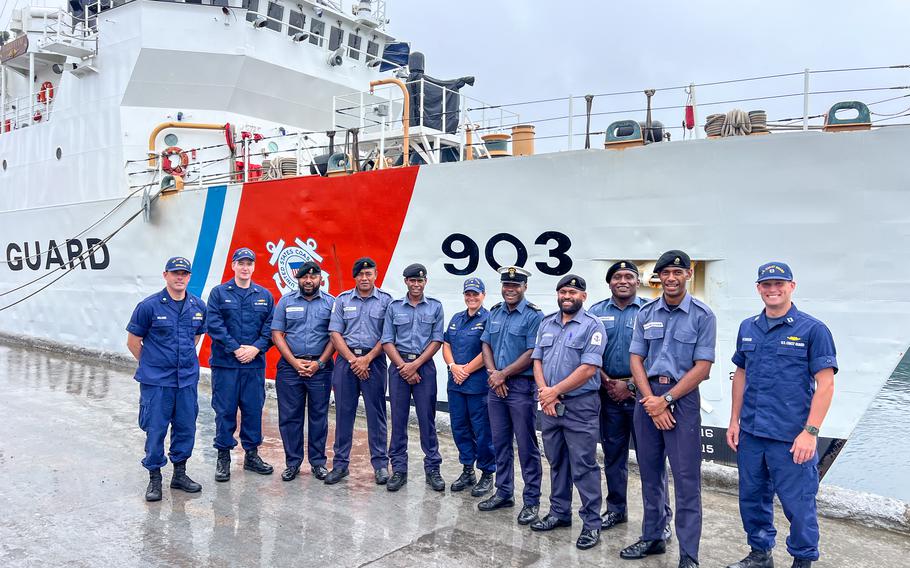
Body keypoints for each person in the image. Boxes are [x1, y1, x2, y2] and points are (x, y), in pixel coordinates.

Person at [725, 262, 837, 568]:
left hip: (791, 437)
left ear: (792, 286)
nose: (773, 290)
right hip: (751, 434)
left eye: (779, 284)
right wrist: (734, 421)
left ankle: (802, 560)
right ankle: (760, 554)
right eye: (766, 284)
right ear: (758, 288)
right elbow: (741, 374)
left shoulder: (813, 329)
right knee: (752, 499)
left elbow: (825, 384)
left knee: (798, 505)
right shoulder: (748, 327)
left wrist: (810, 432)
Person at [620, 250, 716, 568]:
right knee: (649, 473)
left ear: (688, 274)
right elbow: (636, 359)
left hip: (682, 399)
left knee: (687, 479)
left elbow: (702, 367)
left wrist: (667, 400)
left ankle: (689, 554)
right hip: (648, 397)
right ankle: (653, 537)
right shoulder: (646, 313)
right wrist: (650, 400)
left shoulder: (703, 315)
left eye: (678, 273)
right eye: (666, 274)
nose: (671, 278)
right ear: (658, 278)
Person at [589, 261, 672, 536]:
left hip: (645, 397)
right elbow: (588, 352)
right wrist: (609, 382)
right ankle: (616, 510)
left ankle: (661, 519)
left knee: (653, 460)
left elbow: (661, 354)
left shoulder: (653, 310)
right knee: (613, 456)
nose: (622, 280)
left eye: (628, 276)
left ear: (638, 282)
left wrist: (631, 386)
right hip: (608, 392)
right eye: (617, 277)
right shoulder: (596, 312)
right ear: (609, 282)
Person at [530, 275, 606, 550]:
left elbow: (589, 368)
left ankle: (591, 524)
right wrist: (544, 392)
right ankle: (559, 513)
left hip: (580, 405)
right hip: (550, 405)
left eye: (573, 291)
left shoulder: (592, 326)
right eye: (563, 291)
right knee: (557, 460)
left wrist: (554, 391)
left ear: (583, 296)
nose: (567, 295)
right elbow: (536, 359)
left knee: (584, 465)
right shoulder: (546, 323)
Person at [126, 256, 206, 502]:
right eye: (175, 273)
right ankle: (155, 478)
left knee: (185, 427)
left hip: (186, 381)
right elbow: (133, 342)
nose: (179, 277)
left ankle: (179, 474)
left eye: (184, 273)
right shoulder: (148, 306)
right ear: (165, 275)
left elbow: (196, 337)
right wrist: (152, 364)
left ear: (189, 277)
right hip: (157, 382)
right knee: (155, 429)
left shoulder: (197, 306)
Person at [477, 266, 544, 526]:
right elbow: (486, 343)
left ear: (524, 287)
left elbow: (532, 351)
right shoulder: (495, 312)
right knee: (500, 442)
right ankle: (504, 492)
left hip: (520, 388)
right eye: (506, 285)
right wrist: (494, 374)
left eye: (515, 286)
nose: (510, 289)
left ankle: (532, 500)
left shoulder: (533, 316)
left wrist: (503, 375)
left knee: (527, 446)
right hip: (496, 385)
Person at [205, 247, 275, 482]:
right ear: (233, 266)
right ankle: (223, 457)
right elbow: (214, 325)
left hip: (253, 366)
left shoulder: (264, 295)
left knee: (253, 410)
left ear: (254, 267)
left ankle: (252, 455)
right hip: (226, 365)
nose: (245, 267)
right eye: (240, 263)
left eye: (249, 263)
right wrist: (236, 348)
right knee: (224, 411)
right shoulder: (219, 293)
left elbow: (270, 328)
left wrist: (255, 348)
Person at [325, 257, 393, 485]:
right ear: (355, 277)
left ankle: (381, 466)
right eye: (361, 275)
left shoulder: (386, 301)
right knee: (344, 414)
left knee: (377, 415)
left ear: (375, 275)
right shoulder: (342, 300)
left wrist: (367, 359)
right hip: (346, 361)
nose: (365, 278)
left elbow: (387, 335)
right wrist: (355, 360)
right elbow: (335, 333)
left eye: (369, 274)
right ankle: (340, 465)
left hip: (374, 361)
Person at [381, 263, 446, 492]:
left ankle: (433, 469)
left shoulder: (435, 307)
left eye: (420, 280)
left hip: (424, 367)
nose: (416, 284)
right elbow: (387, 340)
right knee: (398, 420)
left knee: (427, 419)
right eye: (412, 280)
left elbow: (437, 340)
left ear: (425, 282)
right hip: (399, 367)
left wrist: (415, 365)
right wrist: (403, 367)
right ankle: (399, 469)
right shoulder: (394, 307)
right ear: (406, 281)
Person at [271, 261, 336, 482]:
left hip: (321, 369)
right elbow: (277, 334)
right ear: (298, 279)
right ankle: (293, 463)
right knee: (290, 417)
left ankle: (318, 463)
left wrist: (319, 362)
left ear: (320, 278)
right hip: (290, 369)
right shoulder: (286, 301)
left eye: (313, 277)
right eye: (304, 277)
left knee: (319, 417)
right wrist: (294, 362)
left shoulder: (331, 303)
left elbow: (335, 336)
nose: (308, 281)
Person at [442, 277, 495, 496]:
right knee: (460, 428)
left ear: (483, 295)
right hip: (456, 385)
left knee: (482, 431)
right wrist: (453, 366)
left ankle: (487, 474)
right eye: (468, 294)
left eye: (476, 294)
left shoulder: (489, 318)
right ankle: (467, 470)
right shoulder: (456, 318)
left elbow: (487, 351)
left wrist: (465, 371)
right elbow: (446, 344)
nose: (471, 298)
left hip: (477, 386)